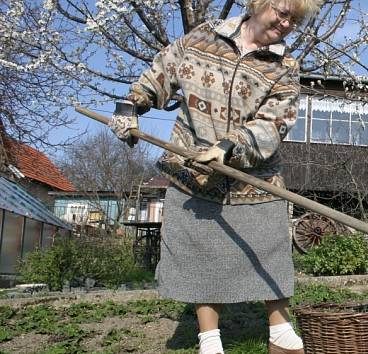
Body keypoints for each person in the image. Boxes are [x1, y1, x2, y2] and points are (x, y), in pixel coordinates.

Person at [109, 1, 322, 353]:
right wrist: (130, 108)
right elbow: (160, 74)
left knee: (269, 251)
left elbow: (274, 123)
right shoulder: (204, 36)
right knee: (201, 257)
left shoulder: (285, 67)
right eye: (282, 13)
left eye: (294, 21)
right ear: (258, 4)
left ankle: (281, 334)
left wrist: (229, 146)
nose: (285, 24)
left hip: (254, 181)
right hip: (191, 174)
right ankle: (210, 340)